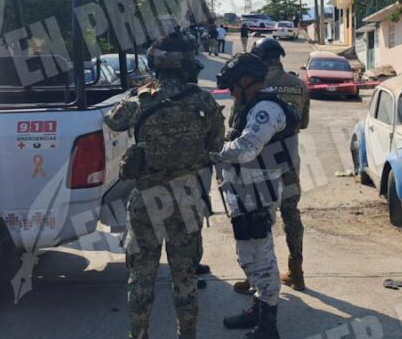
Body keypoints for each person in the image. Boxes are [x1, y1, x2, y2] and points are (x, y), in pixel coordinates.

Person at [104, 34, 225, 339]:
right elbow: (216, 144)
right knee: (185, 277)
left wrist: (140, 91)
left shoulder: (142, 98)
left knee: (141, 275)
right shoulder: (203, 100)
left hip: (147, 199)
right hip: (187, 198)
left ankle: (139, 335)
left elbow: (112, 120)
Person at [211, 53, 300, 339]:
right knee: (248, 255)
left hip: (257, 193)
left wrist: (214, 153)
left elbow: (247, 148)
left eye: (233, 87)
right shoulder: (255, 105)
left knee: (261, 258)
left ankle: (268, 325)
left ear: (246, 81)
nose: (232, 94)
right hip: (246, 191)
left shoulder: (265, 108)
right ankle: (259, 309)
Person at [228, 38, 309, 293]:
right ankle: (296, 271)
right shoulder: (298, 84)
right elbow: (303, 123)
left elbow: (235, 123)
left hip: (259, 163)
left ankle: (257, 277)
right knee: (291, 212)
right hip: (289, 159)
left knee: (259, 217)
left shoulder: (255, 84)